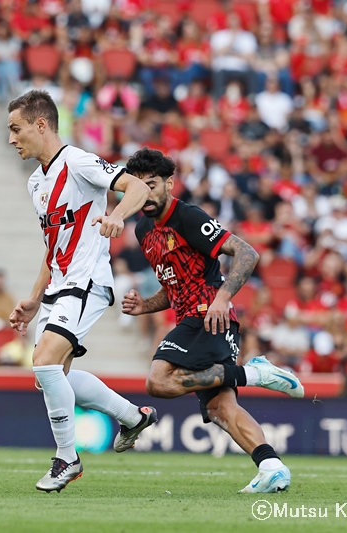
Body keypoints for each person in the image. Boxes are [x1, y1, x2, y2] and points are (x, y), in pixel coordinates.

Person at [121, 148, 304, 493]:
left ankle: (254, 373)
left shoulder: (188, 217)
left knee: (158, 382)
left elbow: (247, 252)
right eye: (138, 185)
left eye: (153, 184)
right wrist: (146, 306)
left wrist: (222, 298)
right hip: (194, 315)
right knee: (221, 407)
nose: (146, 192)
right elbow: (173, 284)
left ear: (169, 184)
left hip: (207, 316)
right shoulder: (143, 229)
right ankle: (271, 467)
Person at [6, 90, 156, 493]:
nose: (11, 139)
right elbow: (52, 245)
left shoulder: (78, 161)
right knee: (51, 376)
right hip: (59, 285)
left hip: (88, 281)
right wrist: (35, 298)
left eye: (16, 129)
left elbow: (137, 189)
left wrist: (116, 215)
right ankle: (133, 417)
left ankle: (66, 458)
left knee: (44, 361)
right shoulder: (36, 182)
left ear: (41, 125)